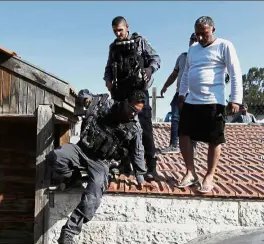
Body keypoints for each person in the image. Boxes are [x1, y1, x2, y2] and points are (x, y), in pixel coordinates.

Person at [46, 89, 147, 244]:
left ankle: (69, 232)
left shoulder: (134, 128)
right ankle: (73, 177)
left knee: (93, 196)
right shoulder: (104, 104)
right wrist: (85, 100)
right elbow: (84, 94)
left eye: (138, 112)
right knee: (55, 157)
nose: (134, 114)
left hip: (100, 162)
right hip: (81, 150)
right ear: (126, 102)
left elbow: (138, 152)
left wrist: (140, 177)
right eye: (133, 110)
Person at [177, 16, 243, 193]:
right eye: (197, 34)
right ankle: (190, 172)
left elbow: (235, 72)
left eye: (204, 33)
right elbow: (186, 73)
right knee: (183, 133)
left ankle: (209, 175)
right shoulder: (193, 49)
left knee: (214, 139)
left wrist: (236, 99)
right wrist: (182, 94)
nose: (200, 37)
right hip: (192, 100)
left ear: (213, 30)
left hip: (214, 101)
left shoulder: (224, 45)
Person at [103, 16, 161, 180]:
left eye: (120, 30)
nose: (118, 34)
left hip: (138, 93)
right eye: (115, 31)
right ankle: (125, 164)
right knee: (122, 129)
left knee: (145, 129)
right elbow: (108, 67)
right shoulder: (113, 47)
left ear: (127, 27)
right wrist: (108, 81)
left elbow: (156, 59)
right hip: (120, 93)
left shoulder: (140, 41)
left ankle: (151, 166)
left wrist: (149, 70)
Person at [160, 33, 198, 155]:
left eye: (196, 40)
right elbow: (174, 74)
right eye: (192, 40)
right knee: (175, 117)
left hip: (194, 94)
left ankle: (193, 147)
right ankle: (173, 145)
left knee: (192, 120)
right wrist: (165, 86)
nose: (193, 42)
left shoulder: (202, 57)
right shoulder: (182, 57)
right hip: (179, 93)